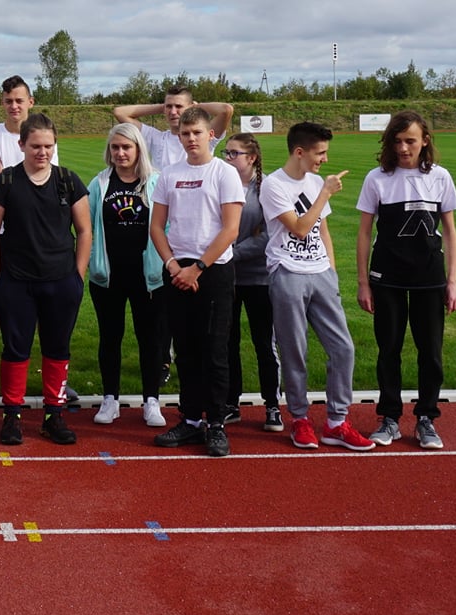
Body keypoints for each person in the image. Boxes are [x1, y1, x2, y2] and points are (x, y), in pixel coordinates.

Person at [261, 120, 374, 453]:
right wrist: (324, 193)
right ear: (299, 152)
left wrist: (331, 272)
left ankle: (337, 422)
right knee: (295, 351)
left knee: (343, 348)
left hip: (320, 273)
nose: (325, 159)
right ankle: (300, 419)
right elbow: (299, 228)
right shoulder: (273, 185)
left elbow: (322, 230)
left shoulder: (314, 181)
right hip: (288, 273)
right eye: (320, 153)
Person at [357, 111, 456, 450]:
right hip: (386, 276)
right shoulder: (377, 178)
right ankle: (389, 417)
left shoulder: (440, 177)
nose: (403, 148)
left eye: (410, 141)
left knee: (430, 352)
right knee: (388, 350)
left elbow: (450, 231)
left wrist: (452, 280)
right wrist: (363, 282)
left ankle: (426, 418)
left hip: (429, 276)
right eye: (397, 141)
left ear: (425, 141)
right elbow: (364, 232)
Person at [0, 114, 91, 446]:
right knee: (15, 349)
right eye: (35, 146)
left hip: (60, 280)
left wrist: (77, 276)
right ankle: (12, 415)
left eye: (48, 146)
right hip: (17, 281)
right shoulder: (7, 181)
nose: (42, 152)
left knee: (57, 348)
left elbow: (84, 230)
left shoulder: (68, 180)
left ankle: (53, 415)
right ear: (21, 145)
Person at [147, 107, 243, 457]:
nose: (190, 139)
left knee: (214, 350)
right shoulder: (170, 174)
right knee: (185, 349)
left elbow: (230, 229)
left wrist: (198, 268)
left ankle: (215, 423)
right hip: (177, 270)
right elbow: (157, 226)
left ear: (209, 135)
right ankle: (189, 419)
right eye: (185, 134)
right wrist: (173, 265)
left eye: (197, 133)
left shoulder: (224, 173)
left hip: (212, 271)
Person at [0, 76, 56, 405]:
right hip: (0, 235)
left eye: (19, 100)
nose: (14, 106)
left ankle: (50, 377)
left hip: (36, 237)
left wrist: (5, 177)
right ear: (2, 103)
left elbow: (45, 181)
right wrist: (9, 181)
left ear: (30, 102)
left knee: (45, 308)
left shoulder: (42, 135)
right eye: (8, 100)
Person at [85, 122, 168, 428]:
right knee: (110, 337)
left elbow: (168, 225)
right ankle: (110, 399)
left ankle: (151, 401)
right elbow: (85, 225)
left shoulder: (156, 182)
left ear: (138, 149)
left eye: (126, 147)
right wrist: (91, 260)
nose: (120, 153)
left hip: (149, 276)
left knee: (151, 339)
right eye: (115, 147)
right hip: (108, 276)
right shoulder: (100, 184)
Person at [224, 132, 285, 433]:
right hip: (227, 278)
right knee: (227, 342)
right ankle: (230, 403)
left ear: (252, 158)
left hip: (260, 277)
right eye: (226, 152)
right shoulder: (221, 182)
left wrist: (228, 253)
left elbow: (268, 236)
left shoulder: (267, 188)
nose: (227, 158)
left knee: (264, 342)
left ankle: (272, 404)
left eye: (233, 153)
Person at [112, 88, 235, 171]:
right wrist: (161, 107)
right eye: (169, 107)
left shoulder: (202, 137)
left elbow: (226, 110)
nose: (173, 112)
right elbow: (120, 112)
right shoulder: (156, 137)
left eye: (178, 106)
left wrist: (196, 107)